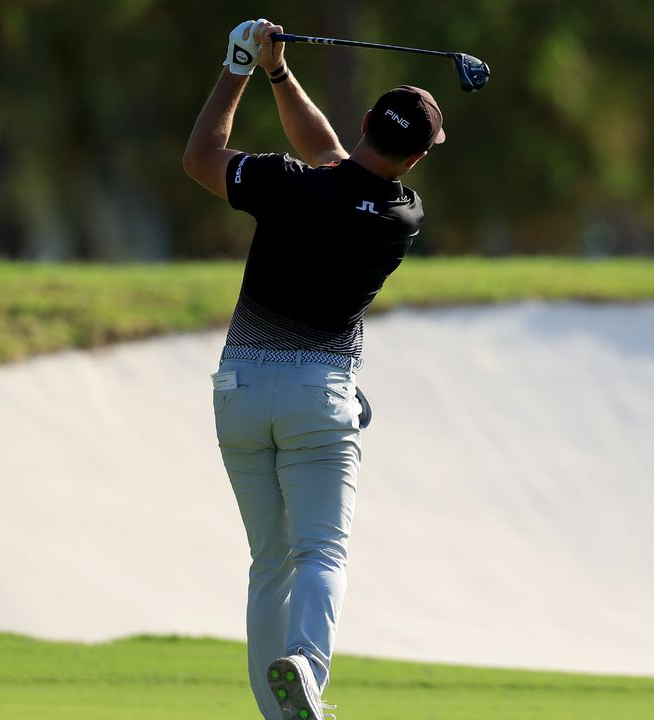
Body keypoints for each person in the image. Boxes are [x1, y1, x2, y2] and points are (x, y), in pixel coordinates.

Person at [182, 18, 443, 720]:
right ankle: (305, 669)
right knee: (321, 554)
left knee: (269, 564)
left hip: (238, 389)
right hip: (316, 396)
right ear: (416, 157)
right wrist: (279, 73)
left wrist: (242, 66)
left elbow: (202, 156)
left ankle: (280, 714)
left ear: (364, 123)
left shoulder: (289, 184)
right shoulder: (401, 214)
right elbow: (338, 161)